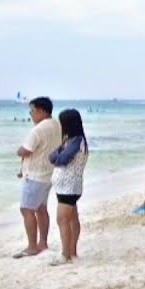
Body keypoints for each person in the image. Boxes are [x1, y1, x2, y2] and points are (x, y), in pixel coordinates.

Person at [14, 97, 63, 258]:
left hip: (35, 175)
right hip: (49, 173)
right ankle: (43, 242)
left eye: (32, 111)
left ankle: (32, 246)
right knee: (41, 209)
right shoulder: (56, 124)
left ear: (41, 111)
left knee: (26, 209)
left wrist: (18, 151)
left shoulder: (39, 129)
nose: (30, 114)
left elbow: (26, 149)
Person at [49, 109, 89, 264]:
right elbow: (51, 156)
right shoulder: (70, 141)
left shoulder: (77, 142)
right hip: (66, 186)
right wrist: (60, 149)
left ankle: (66, 254)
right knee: (72, 218)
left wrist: (59, 154)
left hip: (69, 187)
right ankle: (72, 251)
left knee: (62, 219)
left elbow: (61, 160)